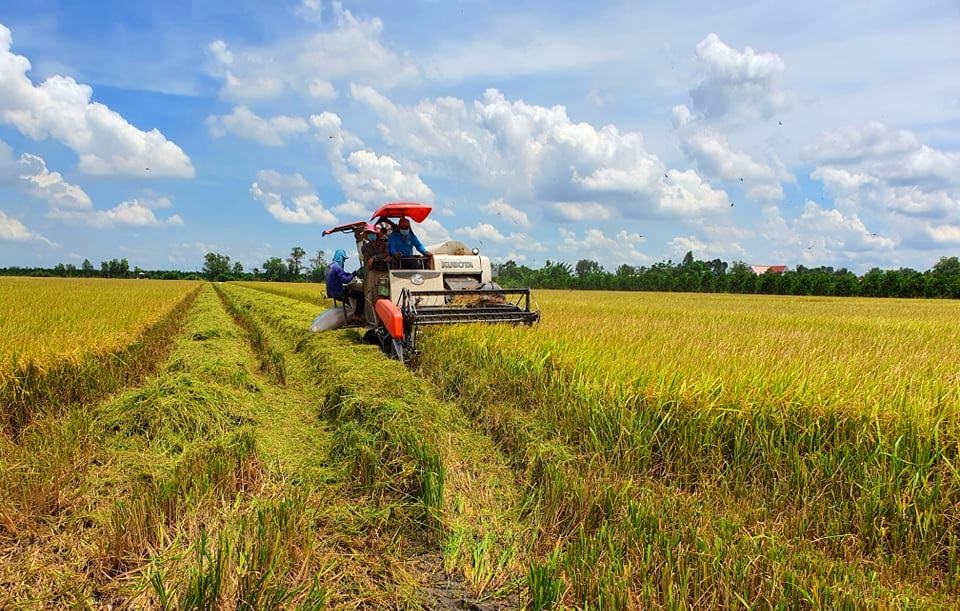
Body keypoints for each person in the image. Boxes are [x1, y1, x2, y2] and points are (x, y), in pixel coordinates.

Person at [325, 248, 364, 321]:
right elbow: (345, 280)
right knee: (360, 295)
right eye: (344, 259)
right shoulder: (337, 267)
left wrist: (350, 274)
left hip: (330, 292)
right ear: (340, 257)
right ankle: (357, 315)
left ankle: (353, 312)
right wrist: (353, 274)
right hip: (338, 292)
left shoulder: (331, 266)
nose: (344, 261)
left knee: (351, 297)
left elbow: (342, 275)